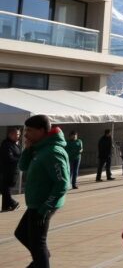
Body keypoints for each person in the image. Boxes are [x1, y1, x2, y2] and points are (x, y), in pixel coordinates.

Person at [15, 115, 70, 268]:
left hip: (43, 205)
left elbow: (63, 183)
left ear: (41, 131)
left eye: (29, 131)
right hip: (35, 203)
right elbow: (23, 167)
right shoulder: (39, 148)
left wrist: (46, 207)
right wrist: (28, 149)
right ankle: (42, 258)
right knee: (22, 234)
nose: (25, 134)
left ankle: (41, 259)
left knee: (38, 243)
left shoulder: (53, 151)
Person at [1, 126, 22, 211]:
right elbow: (9, 158)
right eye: (16, 134)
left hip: (13, 170)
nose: (18, 136)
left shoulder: (15, 144)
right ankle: (12, 203)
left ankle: (6, 206)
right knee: (4, 187)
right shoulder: (6, 144)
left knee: (5, 187)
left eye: (19, 134)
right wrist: (20, 159)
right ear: (10, 134)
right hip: (7, 170)